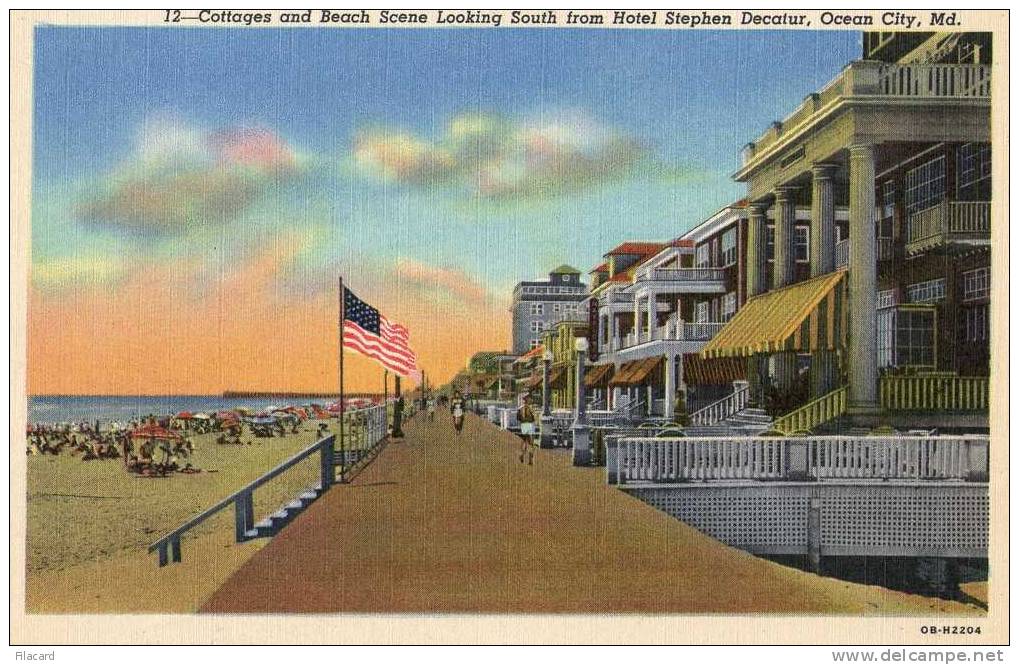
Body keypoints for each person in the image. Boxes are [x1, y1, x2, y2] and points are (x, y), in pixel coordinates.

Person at [517, 395, 536, 465]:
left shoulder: (520, 409)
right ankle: (530, 460)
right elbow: (534, 418)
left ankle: (521, 454)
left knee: (524, 442)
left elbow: (518, 418)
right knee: (531, 443)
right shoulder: (530, 408)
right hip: (530, 425)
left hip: (524, 425)